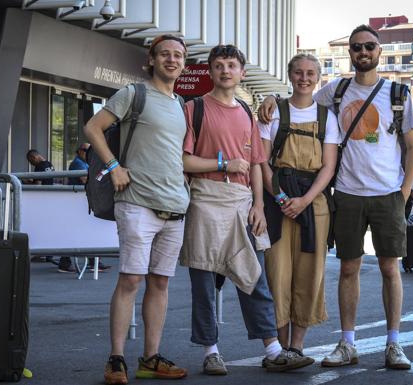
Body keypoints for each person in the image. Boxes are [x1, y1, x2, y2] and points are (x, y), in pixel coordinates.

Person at [259, 24, 413, 370]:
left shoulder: (397, 94)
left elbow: (412, 146)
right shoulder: (336, 90)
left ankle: (394, 344)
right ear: (351, 53)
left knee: (391, 269)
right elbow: (298, 98)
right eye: (358, 47)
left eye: (370, 47)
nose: (364, 52)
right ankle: (347, 343)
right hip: (346, 194)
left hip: (387, 194)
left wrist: (404, 192)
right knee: (349, 268)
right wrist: (272, 97)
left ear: (379, 52)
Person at [83, 34, 190, 385]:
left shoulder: (180, 105)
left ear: (184, 64)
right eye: (165, 55)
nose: (171, 60)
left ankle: (150, 358)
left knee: (160, 282)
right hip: (137, 203)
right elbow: (92, 128)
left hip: (174, 206)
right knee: (131, 279)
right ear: (152, 59)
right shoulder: (134, 93)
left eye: (177, 56)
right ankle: (116, 359)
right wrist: (114, 167)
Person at [180, 44, 286, 376]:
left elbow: (256, 164)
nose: (226, 70)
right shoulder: (194, 108)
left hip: (243, 203)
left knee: (255, 277)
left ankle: (273, 349)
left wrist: (258, 205)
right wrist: (224, 162)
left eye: (232, 65)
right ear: (210, 72)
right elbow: (184, 161)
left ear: (242, 72)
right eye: (219, 65)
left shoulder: (245, 111)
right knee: (205, 279)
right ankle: (211, 351)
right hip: (206, 198)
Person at [257, 54, 338, 370]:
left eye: (310, 73)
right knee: (277, 272)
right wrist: (278, 197)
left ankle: (297, 347)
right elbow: (261, 161)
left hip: (313, 203)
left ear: (318, 77)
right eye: (298, 72)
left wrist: (304, 200)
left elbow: (329, 166)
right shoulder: (274, 110)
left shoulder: (327, 116)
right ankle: (279, 348)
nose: (304, 78)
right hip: (277, 199)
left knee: (309, 272)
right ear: (289, 75)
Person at [65, 142, 111, 273]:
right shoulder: (78, 163)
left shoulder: (86, 162)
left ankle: (93, 261)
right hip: (77, 203)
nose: (90, 153)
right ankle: (66, 261)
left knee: (87, 231)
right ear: (80, 151)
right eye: (87, 150)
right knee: (77, 231)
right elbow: (87, 179)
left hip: (83, 202)